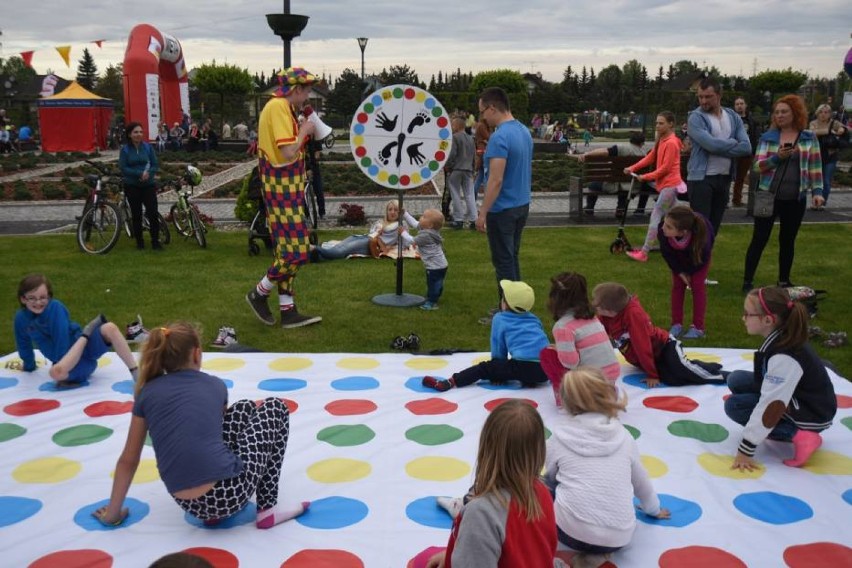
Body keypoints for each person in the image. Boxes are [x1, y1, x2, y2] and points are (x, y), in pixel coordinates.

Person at [93, 322, 309, 528]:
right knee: (275, 407)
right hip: (227, 494)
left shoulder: (146, 393)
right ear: (196, 354)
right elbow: (218, 433)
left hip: (187, 503)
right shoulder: (214, 385)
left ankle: (214, 516)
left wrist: (112, 513)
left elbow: (128, 460)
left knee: (244, 408)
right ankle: (267, 508)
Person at [544, 367, 670, 568]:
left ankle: (532, 539)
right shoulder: (624, 437)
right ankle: (597, 555)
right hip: (620, 537)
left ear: (566, 401)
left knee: (541, 485)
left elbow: (550, 479)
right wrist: (653, 509)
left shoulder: (559, 437)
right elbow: (641, 482)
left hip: (569, 534)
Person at [425, 399, 557, 568]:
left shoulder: (481, 513)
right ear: (539, 450)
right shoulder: (542, 491)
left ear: (486, 447)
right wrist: (455, 552)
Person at [725, 287, 836, 470]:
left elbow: (772, 404)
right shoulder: (783, 336)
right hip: (805, 398)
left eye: (748, 314)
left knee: (734, 406)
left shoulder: (784, 357)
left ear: (768, 320)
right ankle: (785, 429)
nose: (743, 318)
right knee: (735, 379)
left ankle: (801, 435)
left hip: (811, 412)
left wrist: (746, 450)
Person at [246, 67, 321, 329]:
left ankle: (288, 311)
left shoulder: (282, 108)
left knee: (286, 250)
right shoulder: (278, 107)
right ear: (296, 89)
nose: (309, 95)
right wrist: (305, 131)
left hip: (285, 186)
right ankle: (259, 292)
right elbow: (289, 152)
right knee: (297, 251)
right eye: (308, 89)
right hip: (281, 188)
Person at [743, 95, 824, 293]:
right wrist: (776, 158)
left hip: (795, 198)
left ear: (795, 113)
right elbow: (757, 166)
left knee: (788, 240)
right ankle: (747, 281)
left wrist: (818, 192)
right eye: (777, 112)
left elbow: (815, 166)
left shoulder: (808, 138)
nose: (779, 115)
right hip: (767, 195)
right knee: (759, 238)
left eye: (784, 111)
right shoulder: (768, 137)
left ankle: (784, 280)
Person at [12, 274, 138, 388]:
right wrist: (29, 366)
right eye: (32, 298)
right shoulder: (21, 319)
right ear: (23, 299)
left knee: (110, 327)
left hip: (83, 349)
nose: (38, 302)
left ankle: (136, 372)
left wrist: (63, 364)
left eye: (43, 297)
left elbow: (62, 340)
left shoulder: (55, 308)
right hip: (75, 366)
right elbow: (23, 343)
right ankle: (86, 332)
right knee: (55, 373)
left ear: (49, 297)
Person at [421, 280, 549, 391]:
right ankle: (530, 380)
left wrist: (497, 372)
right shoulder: (534, 318)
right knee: (523, 369)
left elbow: (499, 349)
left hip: (522, 366)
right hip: (546, 368)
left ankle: (450, 382)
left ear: (505, 303)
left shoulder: (500, 318)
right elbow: (540, 340)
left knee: (483, 369)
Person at [592, 282, 724, 388]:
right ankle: (707, 366)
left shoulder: (634, 316)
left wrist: (652, 374)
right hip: (651, 357)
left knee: (683, 369)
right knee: (674, 380)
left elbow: (642, 346)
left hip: (665, 347)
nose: (594, 306)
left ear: (610, 311)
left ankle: (723, 376)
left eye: (598, 306)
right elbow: (595, 331)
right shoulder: (607, 316)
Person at [476, 87, 533, 325]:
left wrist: (483, 213)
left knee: (504, 261)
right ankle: (517, 305)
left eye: (482, 112)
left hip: (503, 209)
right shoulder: (524, 131)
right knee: (512, 258)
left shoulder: (499, 137)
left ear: (492, 108)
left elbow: (496, 179)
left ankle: (508, 312)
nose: (482, 118)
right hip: (521, 205)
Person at [539, 272, 621, 406]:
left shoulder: (563, 327)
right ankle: (603, 396)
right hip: (610, 380)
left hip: (588, 383)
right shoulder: (593, 319)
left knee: (547, 354)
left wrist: (560, 350)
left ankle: (565, 397)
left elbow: (570, 363)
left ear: (555, 299)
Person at [686, 76, 752, 235]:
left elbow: (746, 147)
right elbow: (711, 145)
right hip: (701, 179)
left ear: (719, 96)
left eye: (708, 97)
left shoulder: (733, 116)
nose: (703, 101)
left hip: (724, 178)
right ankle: (694, 260)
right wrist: (732, 142)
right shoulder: (696, 117)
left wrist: (718, 145)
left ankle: (705, 260)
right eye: (700, 97)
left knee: (713, 229)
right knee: (701, 229)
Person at [625, 111, 686, 262]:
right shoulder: (662, 140)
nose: (657, 126)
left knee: (656, 215)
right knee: (679, 216)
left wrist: (644, 177)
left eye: (661, 123)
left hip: (670, 185)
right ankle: (689, 240)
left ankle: (644, 252)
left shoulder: (671, 143)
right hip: (666, 186)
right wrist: (633, 168)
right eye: (657, 123)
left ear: (671, 124)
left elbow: (665, 168)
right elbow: (650, 157)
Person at [659, 205, 714, 339]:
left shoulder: (702, 236)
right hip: (678, 261)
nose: (663, 228)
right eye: (665, 223)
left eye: (668, 227)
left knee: (697, 287)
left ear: (683, 232)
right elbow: (667, 254)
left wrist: (690, 273)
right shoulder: (663, 231)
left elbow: (704, 256)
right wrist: (680, 272)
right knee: (678, 287)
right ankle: (676, 324)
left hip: (698, 260)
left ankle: (698, 327)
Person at [579, 131, 649, 217]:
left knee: (593, 185)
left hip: (614, 185)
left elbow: (604, 152)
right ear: (642, 143)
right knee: (625, 185)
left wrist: (587, 154)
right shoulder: (644, 154)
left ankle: (589, 208)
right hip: (633, 186)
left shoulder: (621, 148)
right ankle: (620, 209)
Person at [315, 200, 414, 261]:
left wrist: (412, 243)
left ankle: (312, 249)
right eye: (390, 209)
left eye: (396, 210)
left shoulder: (400, 226)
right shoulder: (381, 222)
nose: (392, 212)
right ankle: (312, 252)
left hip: (367, 244)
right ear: (386, 211)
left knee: (338, 253)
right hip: (361, 238)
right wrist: (378, 233)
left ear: (399, 212)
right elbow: (371, 234)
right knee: (336, 251)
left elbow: (405, 243)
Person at [119, 121, 162, 250]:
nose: (139, 134)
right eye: (135, 132)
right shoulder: (125, 150)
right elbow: (123, 167)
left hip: (148, 185)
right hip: (132, 185)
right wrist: (138, 173)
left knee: (152, 212)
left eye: (141, 132)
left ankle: (155, 241)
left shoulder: (148, 148)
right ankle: (140, 242)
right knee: (136, 214)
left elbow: (155, 164)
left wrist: (149, 173)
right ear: (129, 135)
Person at [405, 209, 448, 311]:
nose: (421, 217)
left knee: (432, 283)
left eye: (424, 217)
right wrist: (405, 214)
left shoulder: (426, 235)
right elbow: (415, 223)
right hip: (441, 264)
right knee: (437, 282)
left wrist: (403, 232)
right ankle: (435, 295)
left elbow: (412, 240)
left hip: (435, 266)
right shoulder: (429, 230)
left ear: (430, 225)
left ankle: (432, 302)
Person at [809, 103, 848, 210]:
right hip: (816, 156)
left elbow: (843, 128)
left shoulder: (834, 123)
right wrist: (828, 131)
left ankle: (821, 203)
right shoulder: (813, 123)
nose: (823, 114)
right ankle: (815, 201)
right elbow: (812, 133)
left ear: (830, 114)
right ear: (817, 113)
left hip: (830, 156)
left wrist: (841, 130)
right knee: (816, 180)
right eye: (821, 112)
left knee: (826, 180)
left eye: (826, 112)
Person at [445, 117, 476, 229]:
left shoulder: (455, 137)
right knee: (469, 194)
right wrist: (473, 168)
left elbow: (452, 154)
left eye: (453, 125)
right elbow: (474, 155)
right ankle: (473, 219)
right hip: (468, 169)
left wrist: (448, 166)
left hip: (457, 169)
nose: (451, 127)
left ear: (457, 126)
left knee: (455, 193)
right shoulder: (471, 138)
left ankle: (458, 219)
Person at [732, 97, 759, 208]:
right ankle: (724, 200)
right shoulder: (731, 120)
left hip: (747, 153)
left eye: (741, 103)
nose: (739, 105)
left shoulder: (751, 120)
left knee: (741, 177)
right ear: (734, 106)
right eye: (737, 104)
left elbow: (755, 136)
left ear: (745, 105)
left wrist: (754, 151)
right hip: (733, 152)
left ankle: (737, 200)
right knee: (729, 177)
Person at [472, 116, 491, 197]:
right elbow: (489, 137)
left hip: (480, 151)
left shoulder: (479, 125)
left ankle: (473, 198)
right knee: (486, 177)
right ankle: (487, 198)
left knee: (480, 176)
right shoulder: (482, 126)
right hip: (484, 151)